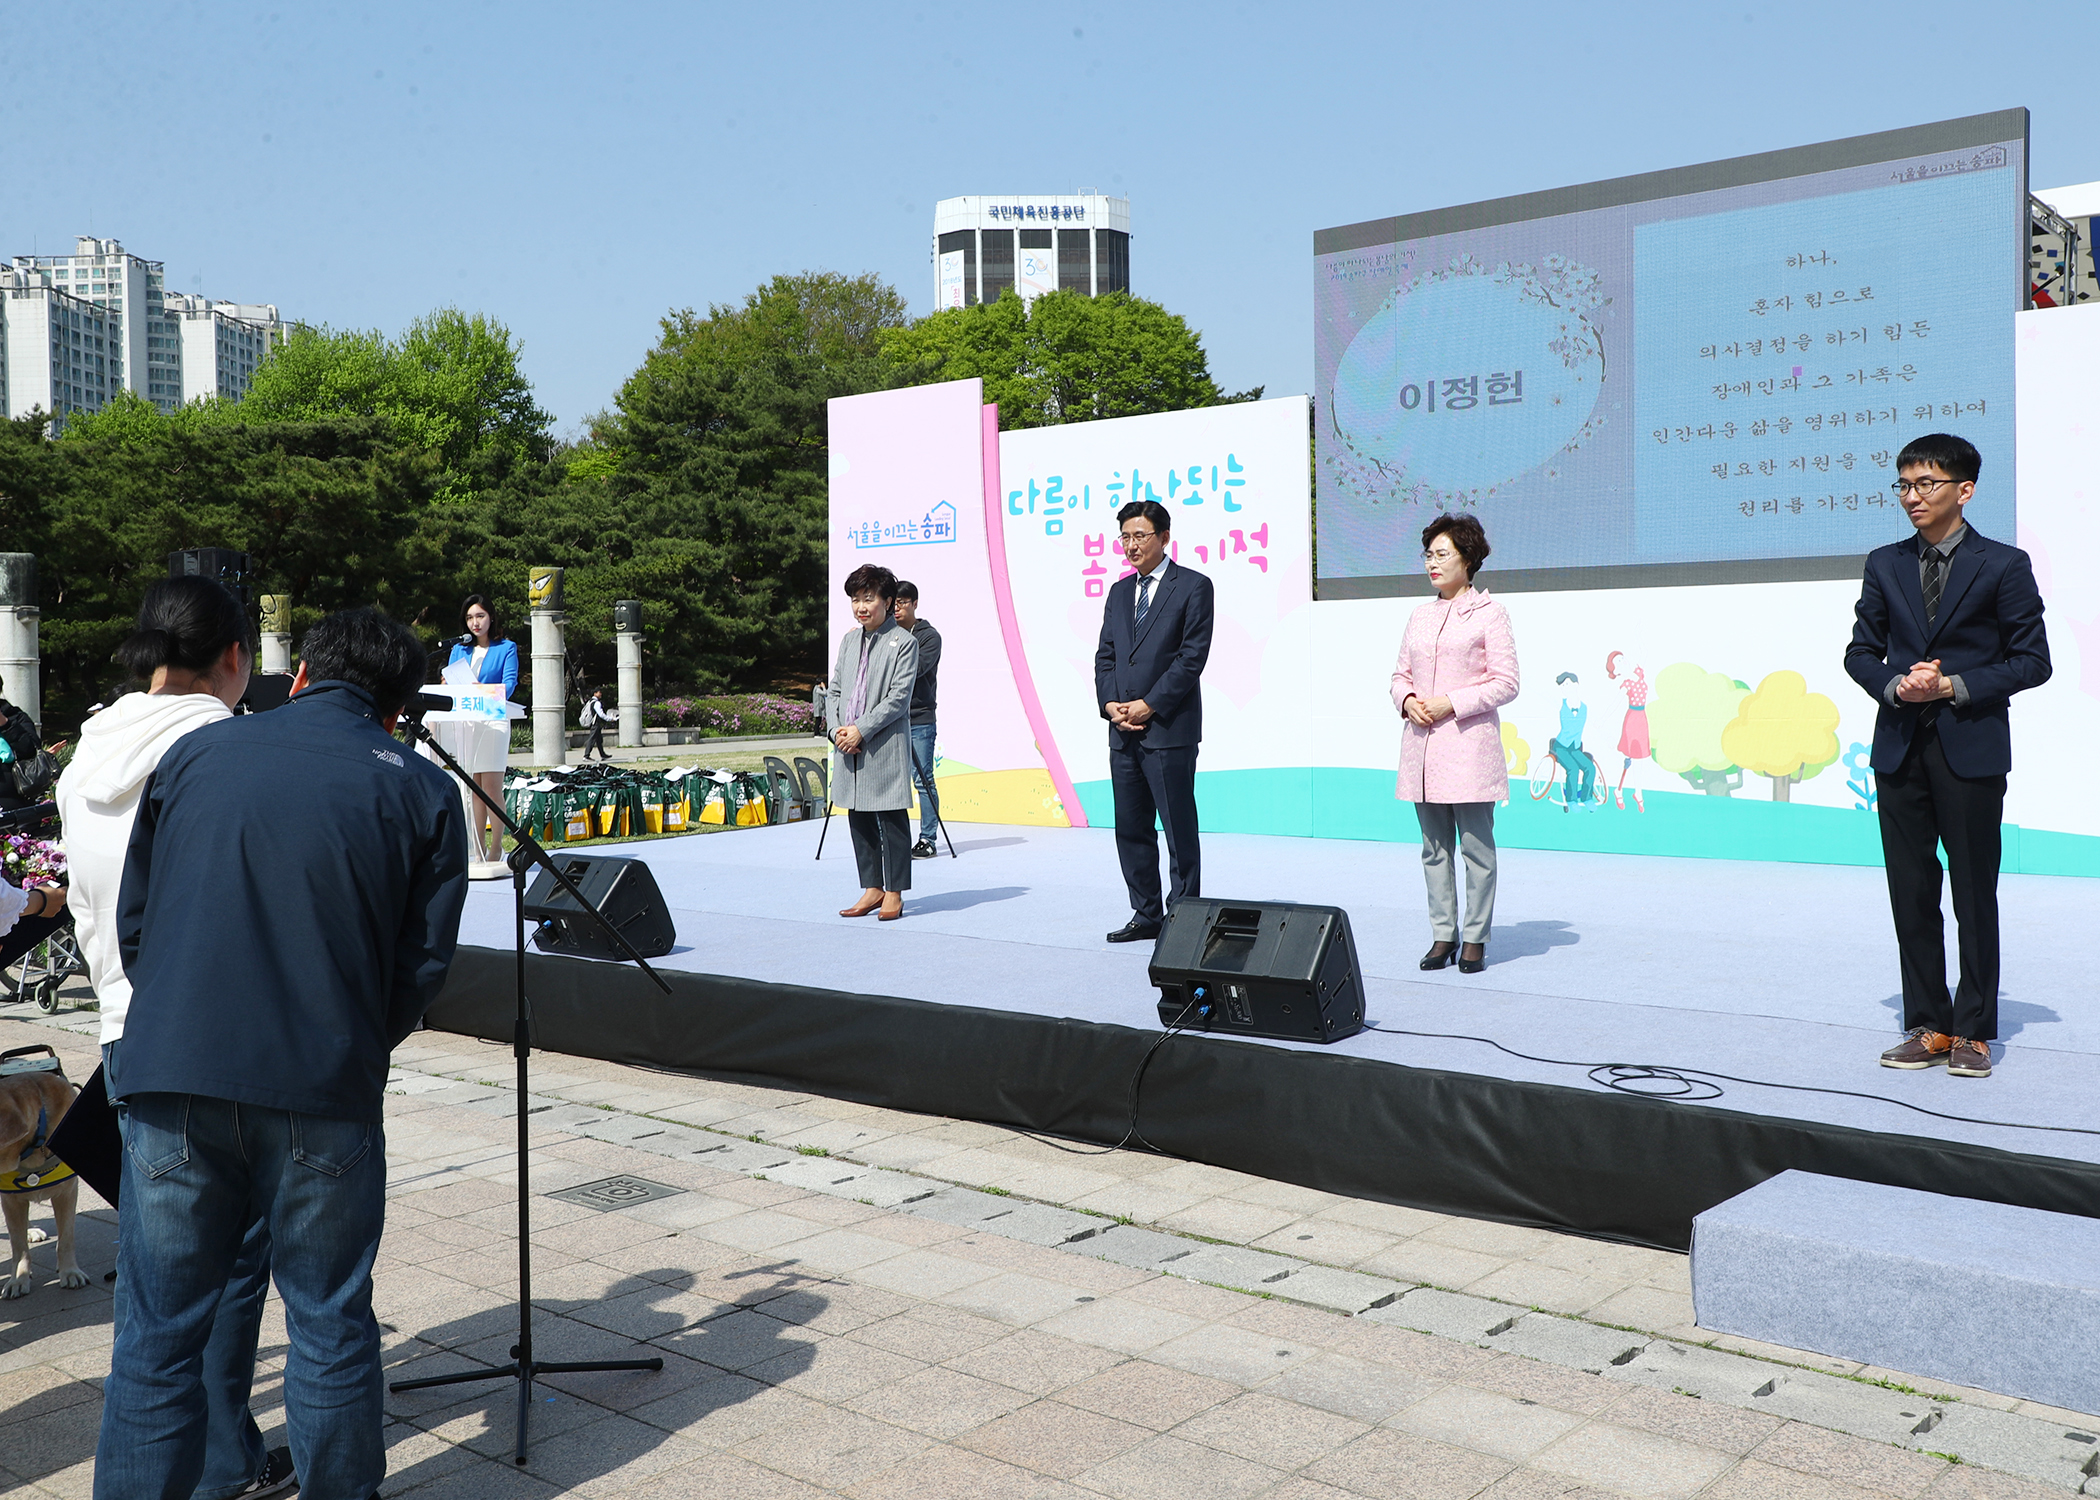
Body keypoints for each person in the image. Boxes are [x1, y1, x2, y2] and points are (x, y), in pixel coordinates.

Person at [96, 606, 469, 1500]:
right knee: (330, 1321)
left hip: (171, 1072)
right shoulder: (417, 788)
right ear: (395, 708)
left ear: (298, 674)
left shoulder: (197, 753)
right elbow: (420, 967)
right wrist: (344, 1035)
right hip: (321, 1081)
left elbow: (136, 923)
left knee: (156, 1336)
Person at [58, 575, 298, 1499]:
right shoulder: (223, 750)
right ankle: (223, 1461)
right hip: (220, 1042)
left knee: (155, 1299)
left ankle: (213, 1458)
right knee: (230, 1271)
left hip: (127, 1032)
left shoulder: (87, 753)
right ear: (235, 658)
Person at [1846, 433, 2050, 1080]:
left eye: (1926, 484)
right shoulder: (1885, 563)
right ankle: (1929, 1025)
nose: (1912, 497)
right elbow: (1859, 652)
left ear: (1964, 489)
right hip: (1900, 747)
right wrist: (1894, 683)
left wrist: (1954, 686)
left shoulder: (2004, 565)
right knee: (1910, 892)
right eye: (1904, 485)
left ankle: (1974, 1030)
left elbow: (2032, 661)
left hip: (1971, 748)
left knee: (1972, 892)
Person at [1390, 514, 1520, 975]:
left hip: (1468, 749)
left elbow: (1506, 683)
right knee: (1433, 848)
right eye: (1428, 554)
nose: (1432, 562)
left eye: (1442, 554)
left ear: (1469, 558)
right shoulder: (1420, 615)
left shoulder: (1491, 613)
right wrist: (1406, 700)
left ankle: (1475, 937)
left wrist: (1451, 702)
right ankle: (1443, 934)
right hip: (1422, 749)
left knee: (1477, 851)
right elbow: (1399, 675)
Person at [1095, 500, 1214, 943]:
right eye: (1125, 536)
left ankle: (1183, 920)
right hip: (1121, 729)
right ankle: (1145, 914)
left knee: (1178, 828)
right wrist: (1111, 705)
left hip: (1168, 729)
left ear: (1164, 538)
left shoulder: (1194, 587)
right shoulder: (1119, 592)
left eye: (1140, 535)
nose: (1131, 545)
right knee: (1131, 827)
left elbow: (1190, 659)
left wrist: (1150, 705)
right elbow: (1105, 656)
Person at [826, 564, 919, 921]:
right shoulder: (849, 640)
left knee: (891, 817)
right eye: (855, 599)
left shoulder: (904, 643)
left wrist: (860, 730)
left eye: (868, 598)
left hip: (881, 743)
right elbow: (834, 690)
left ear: (888, 601)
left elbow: (898, 699)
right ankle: (872, 888)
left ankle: (894, 892)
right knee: (858, 817)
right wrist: (837, 730)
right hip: (847, 745)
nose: (861, 607)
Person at [442, 594, 520, 860]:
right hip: (466, 723)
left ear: (491, 617)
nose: (475, 623)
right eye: (470, 617)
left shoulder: (506, 647)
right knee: (473, 788)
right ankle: (478, 848)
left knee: (491, 787)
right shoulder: (458, 650)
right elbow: (450, 682)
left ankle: (497, 847)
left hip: (494, 720)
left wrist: (482, 691)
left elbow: (509, 684)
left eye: (480, 616)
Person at [894, 581, 943, 858]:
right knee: (891, 781)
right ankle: (893, 838)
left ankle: (928, 838)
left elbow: (917, 669)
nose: (897, 608)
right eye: (894, 603)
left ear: (914, 603)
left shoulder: (928, 637)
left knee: (923, 780)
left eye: (902, 603)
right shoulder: (884, 634)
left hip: (919, 718)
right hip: (890, 718)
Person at [581, 687, 617, 761]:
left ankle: (603, 754)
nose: (601, 694)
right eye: (599, 692)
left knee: (599, 739)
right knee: (592, 739)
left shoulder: (590, 701)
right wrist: (610, 719)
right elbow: (601, 714)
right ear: (595, 693)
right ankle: (586, 755)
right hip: (595, 723)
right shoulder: (596, 703)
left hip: (593, 723)